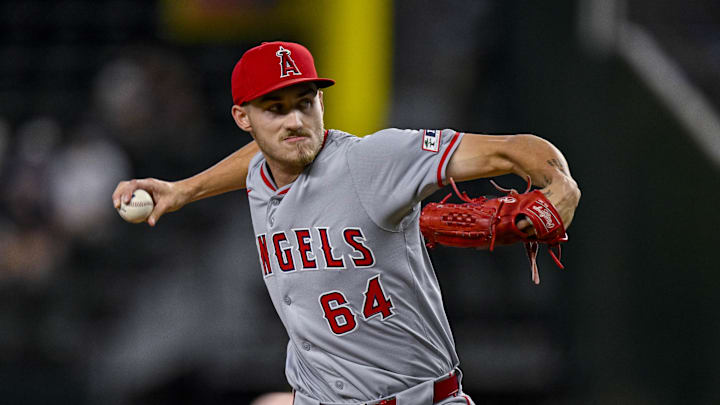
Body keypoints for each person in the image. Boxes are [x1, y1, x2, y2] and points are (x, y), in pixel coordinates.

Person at [113, 41, 580, 405]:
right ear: (243, 118)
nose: (295, 120)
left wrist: (560, 187)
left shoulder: (371, 161)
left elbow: (516, 149)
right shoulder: (260, 172)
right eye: (275, 108)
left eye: (305, 101)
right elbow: (260, 157)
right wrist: (182, 190)